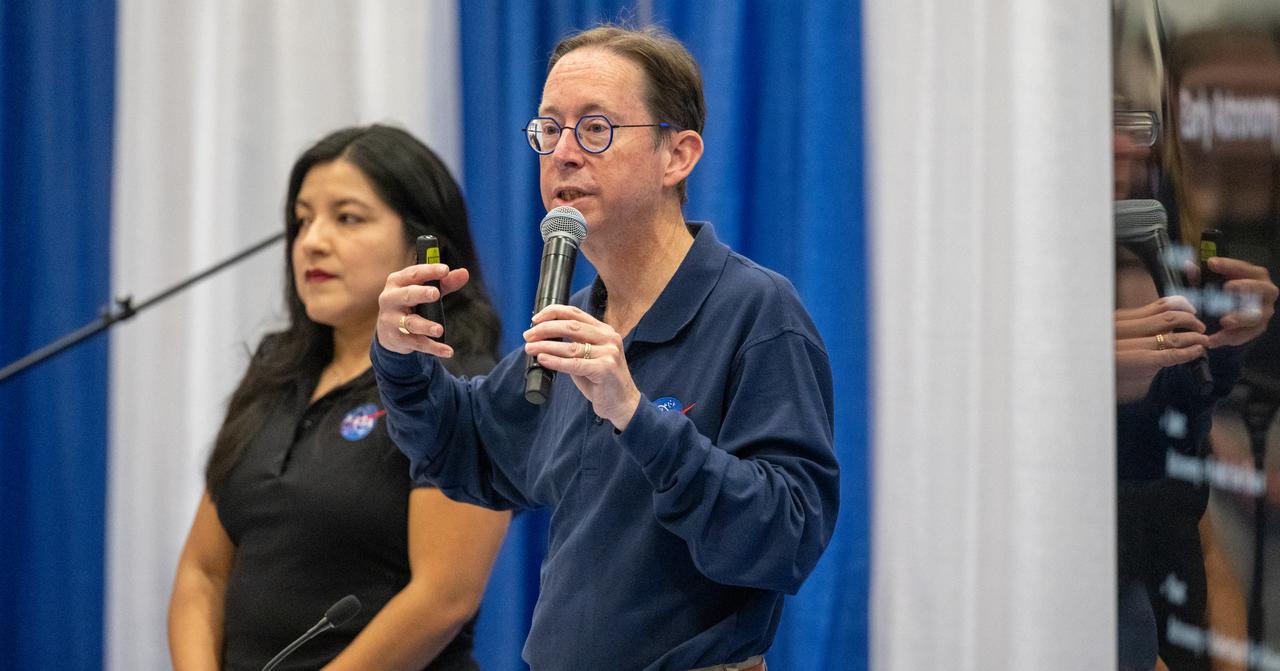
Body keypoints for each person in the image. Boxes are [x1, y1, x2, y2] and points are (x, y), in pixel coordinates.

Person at [371, 25, 838, 671]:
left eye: (595, 129)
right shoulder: (576, 316)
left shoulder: (757, 312)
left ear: (678, 154)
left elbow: (785, 536)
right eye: (548, 130)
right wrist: (401, 356)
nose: (563, 153)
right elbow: (467, 450)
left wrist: (637, 417)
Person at [167, 125, 511, 671]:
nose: (312, 240)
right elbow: (202, 573)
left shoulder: (461, 385)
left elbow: (443, 599)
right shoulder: (274, 370)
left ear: (422, 245)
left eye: (347, 217)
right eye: (303, 219)